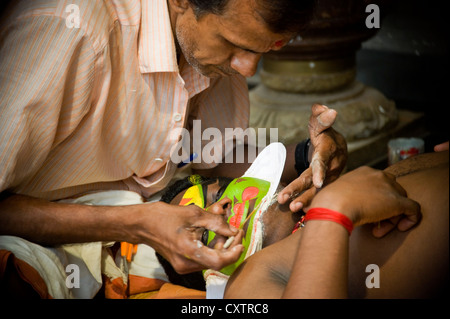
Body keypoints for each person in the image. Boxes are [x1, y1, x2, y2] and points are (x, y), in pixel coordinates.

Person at [0, 0, 348, 296]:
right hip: (29, 239)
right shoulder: (68, 28)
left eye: (260, 50)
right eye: (233, 43)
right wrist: (134, 223)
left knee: (289, 238)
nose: (246, 67)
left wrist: (307, 154)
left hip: (140, 231)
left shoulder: (207, 49)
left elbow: (213, 157)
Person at [144, 144, 448, 298]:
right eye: (201, 232)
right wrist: (333, 210)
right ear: (212, 276)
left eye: (217, 193)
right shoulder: (248, 282)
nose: (220, 208)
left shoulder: (338, 187)